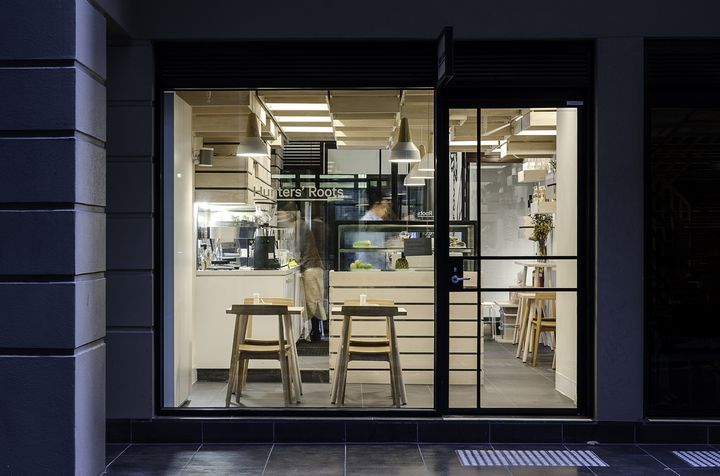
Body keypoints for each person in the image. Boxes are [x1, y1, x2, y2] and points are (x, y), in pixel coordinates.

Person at [277, 202, 327, 341]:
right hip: (310, 267)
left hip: (311, 268)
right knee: (312, 301)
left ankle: (316, 334)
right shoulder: (297, 226)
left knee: (313, 301)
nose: (279, 217)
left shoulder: (300, 226)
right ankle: (314, 332)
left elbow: (298, 252)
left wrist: (289, 264)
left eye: (281, 214)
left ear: (289, 214)